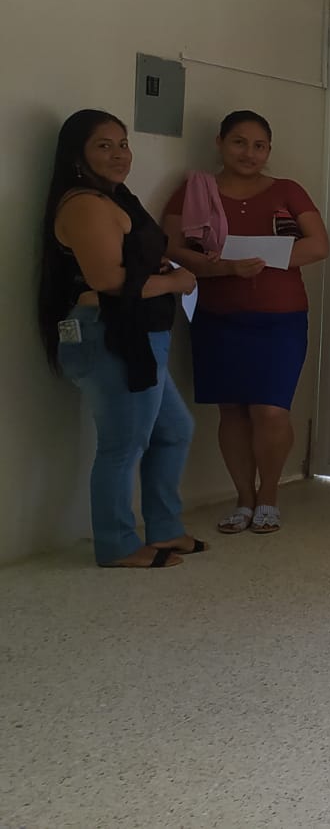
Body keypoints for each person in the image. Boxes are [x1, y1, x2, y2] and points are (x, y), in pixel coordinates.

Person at [36, 110, 202, 568]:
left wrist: (160, 269)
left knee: (174, 431)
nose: (118, 154)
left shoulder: (114, 197)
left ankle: (165, 529)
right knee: (123, 445)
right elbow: (108, 280)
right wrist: (176, 282)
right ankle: (117, 545)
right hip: (109, 335)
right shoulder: (85, 204)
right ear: (78, 155)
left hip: (139, 335)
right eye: (103, 145)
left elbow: (133, 259)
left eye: (123, 144)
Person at [161, 111, 329, 534]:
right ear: (220, 143)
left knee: (271, 411)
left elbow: (319, 245)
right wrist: (223, 268)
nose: (249, 153)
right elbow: (172, 248)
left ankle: (268, 495)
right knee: (232, 410)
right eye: (239, 142)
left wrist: (266, 258)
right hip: (217, 317)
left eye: (259, 146)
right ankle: (243, 498)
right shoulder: (194, 191)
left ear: (269, 150)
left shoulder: (287, 190)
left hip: (281, 318)